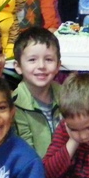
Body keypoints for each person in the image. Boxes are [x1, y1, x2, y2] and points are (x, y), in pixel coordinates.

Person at [12, 26, 63, 157]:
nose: (41, 66)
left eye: (48, 59)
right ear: (18, 66)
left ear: (58, 65)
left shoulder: (66, 96)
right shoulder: (14, 104)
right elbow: (24, 153)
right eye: (32, 60)